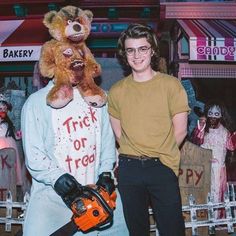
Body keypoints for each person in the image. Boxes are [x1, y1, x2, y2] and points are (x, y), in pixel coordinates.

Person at [108, 23, 190, 236]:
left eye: (142, 48)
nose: (136, 55)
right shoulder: (116, 92)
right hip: (129, 169)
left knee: (172, 230)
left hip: (162, 166)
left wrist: (164, 160)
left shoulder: (171, 86)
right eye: (130, 50)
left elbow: (180, 130)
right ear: (124, 54)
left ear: (152, 50)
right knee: (137, 231)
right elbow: (118, 134)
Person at [21, 79, 129, 236]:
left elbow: (107, 143)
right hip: (53, 199)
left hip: (98, 197)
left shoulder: (99, 99)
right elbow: (34, 154)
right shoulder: (37, 102)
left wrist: (106, 172)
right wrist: (58, 178)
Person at [191, 100, 235, 216]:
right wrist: (200, 128)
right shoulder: (202, 130)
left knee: (217, 193)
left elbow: (231, 146)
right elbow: (195, 141)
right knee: (203, 193)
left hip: (218, 169)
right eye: (210, 113)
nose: (213, 116)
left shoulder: (225, 132)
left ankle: (216, 221)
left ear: (221, 115)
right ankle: (203, 220)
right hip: (203, 168)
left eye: (216, 114)